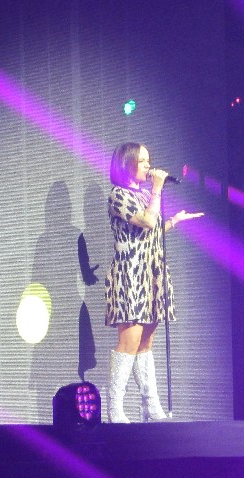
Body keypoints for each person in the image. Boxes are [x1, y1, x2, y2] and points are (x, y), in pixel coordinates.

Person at [105, 142, 202, 423]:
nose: (149, 166)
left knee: (146, 341)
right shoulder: (118, 195)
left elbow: (152, 232)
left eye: (149, 160)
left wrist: (173, 221)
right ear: (127, 164)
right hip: (131, 274)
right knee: (130, 340)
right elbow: (147, 221)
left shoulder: (146, 194)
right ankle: (115, 408)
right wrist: (158, 188)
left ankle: (150, 405)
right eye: (143, 161)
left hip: (151, 273)